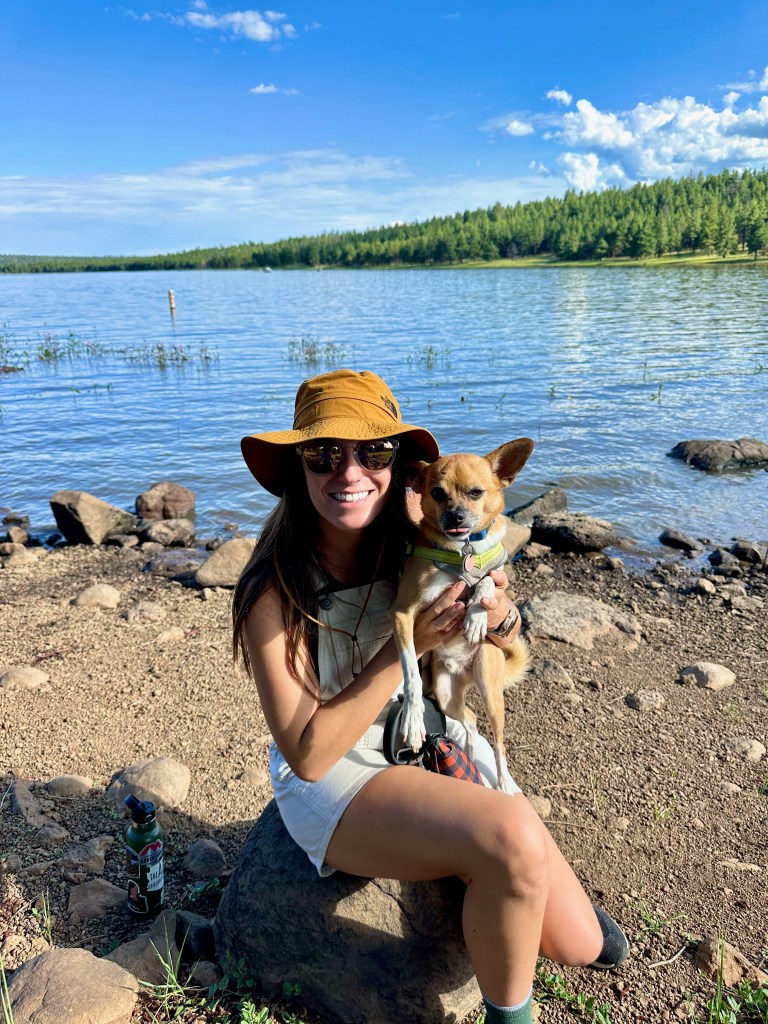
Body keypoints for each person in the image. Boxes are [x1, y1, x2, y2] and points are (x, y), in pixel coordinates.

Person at [233, 369, 628, 1024]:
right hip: (337, 774)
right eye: (323, 454)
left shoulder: (420, 537)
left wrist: (500, 618)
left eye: (373, 452)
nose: (349, 472)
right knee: (510, 836)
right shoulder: (272, 589)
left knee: (581, 944)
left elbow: (502, 629)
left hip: (429, 734)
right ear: (297, 467)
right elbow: (307, 752)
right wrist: (406, 647)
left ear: (401, 469)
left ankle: (515, 881)